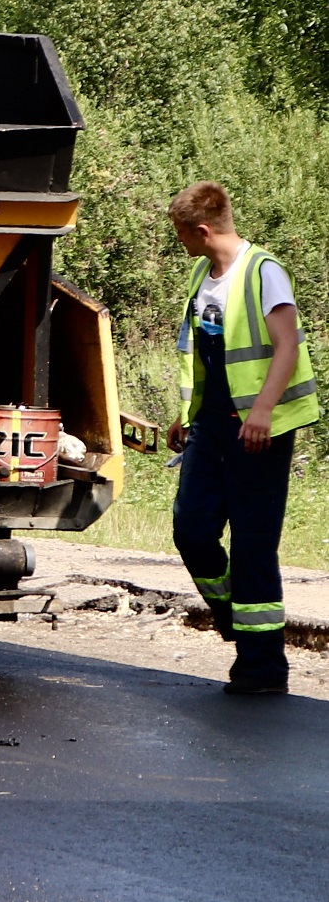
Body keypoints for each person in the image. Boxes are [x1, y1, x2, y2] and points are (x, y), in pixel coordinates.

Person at [167, 181, 321, 695]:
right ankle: (236, 620)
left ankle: (262, 667)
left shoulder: (263, 272)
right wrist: (185, 414)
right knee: (191, 530)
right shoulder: (200, 273)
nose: (180, 243)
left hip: (258, 429)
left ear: (203, 229)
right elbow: (206, 356)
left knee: (254, 544)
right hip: (209, 427)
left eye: (182, 234)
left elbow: (287, 346)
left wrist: (261, 412)